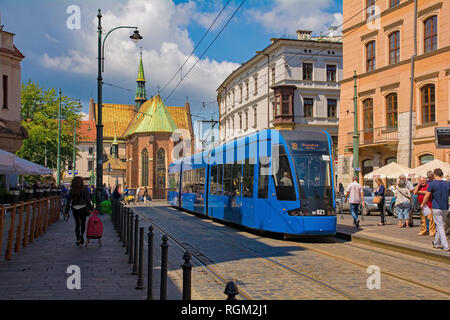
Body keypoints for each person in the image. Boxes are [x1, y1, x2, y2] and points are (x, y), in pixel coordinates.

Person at [420, 168, 449, 252]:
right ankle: (436, 243)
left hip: (436, 207)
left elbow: (427, 196)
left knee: (440, 226)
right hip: (445, 207)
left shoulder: (432, 184)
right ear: (442, 174)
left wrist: (422, 204)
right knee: (440, 226)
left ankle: (445, 246)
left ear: (435, 175)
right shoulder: (447, 184)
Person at [66, 176, 93, 246]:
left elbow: (69, 201)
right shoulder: (85, 189)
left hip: (75, 208)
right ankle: (82, 235)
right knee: (83, 222)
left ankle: (78, 239)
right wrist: (92, 208)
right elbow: (88, 200)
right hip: (83, 207)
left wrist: (66, 211)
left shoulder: (72, 190)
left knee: (77, 223)